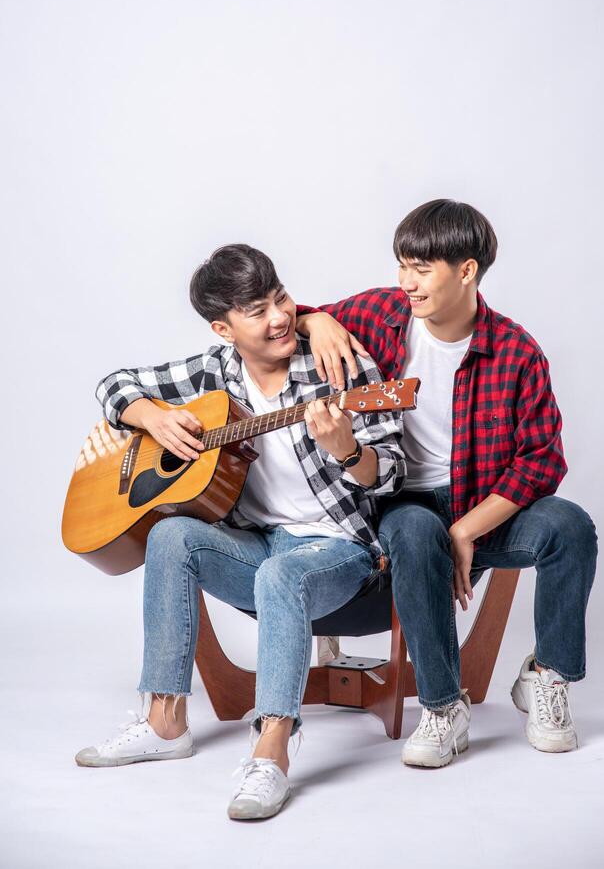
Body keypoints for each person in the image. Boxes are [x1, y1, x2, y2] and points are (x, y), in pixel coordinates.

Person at [75, 243, 405, 819]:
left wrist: (349, 450)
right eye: (257, 310)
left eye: (281, 299)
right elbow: (114, 384)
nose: (279, 317)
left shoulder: (338, 365)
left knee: (282, 573)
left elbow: (393, 472)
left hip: (338, 552)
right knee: (169, 537)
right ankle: (165, 723)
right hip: (257, 544)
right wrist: (150, 416)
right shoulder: (213, 372)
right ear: (223, 327)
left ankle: (271, 753)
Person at [296, 199, 598, 767]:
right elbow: (290, 322)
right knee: (411, 534)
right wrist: (319, 320)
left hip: (484, 507)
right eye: (401, 265)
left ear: (466, 271)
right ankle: (442, 707)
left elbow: (541, 460)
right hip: (405, 500)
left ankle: (547, 678)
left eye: (421, 269)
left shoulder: (515, 350)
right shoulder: (380, 315)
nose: (406, 282)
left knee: (570, 527)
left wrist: (465, 529)